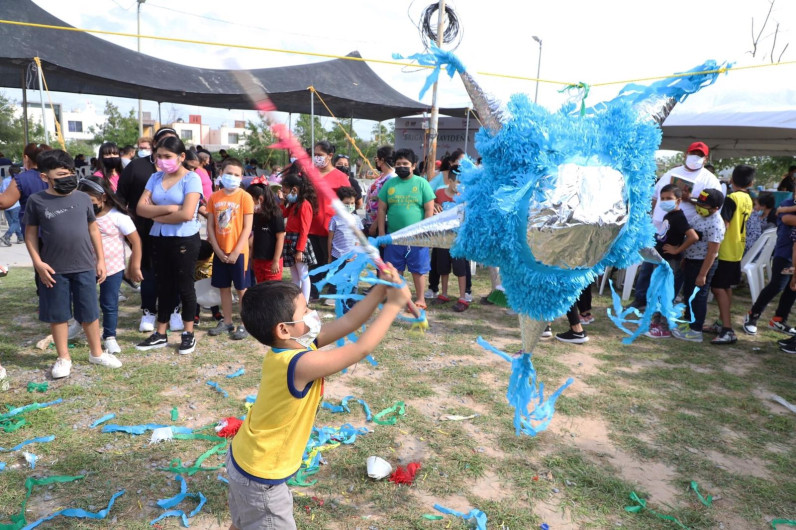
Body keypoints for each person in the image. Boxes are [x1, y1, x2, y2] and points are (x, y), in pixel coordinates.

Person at [228, 265, 411, 530]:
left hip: (245, 460)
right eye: (305, 311)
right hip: (261, 477)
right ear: (283, 329)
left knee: (244, 523)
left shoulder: (292, 348)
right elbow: (360, 349)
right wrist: (393, 306)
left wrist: (381, 289)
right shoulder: (299, 364)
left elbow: (348, 323)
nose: (313, 314)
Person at [23, 150, 123, 378]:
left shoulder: (82, 198)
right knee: (58, 314)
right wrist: (38, 263)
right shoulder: (36, 201)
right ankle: (63, 357)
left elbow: (93, 229)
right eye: (61, 174)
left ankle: (97, 353)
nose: (67, 177)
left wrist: (100, 260)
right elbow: (30, 235)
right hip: (53, 269)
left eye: (70, 173)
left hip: (85, 265)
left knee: (89, 311)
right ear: (44, 177)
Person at [631, 141, 720, 310]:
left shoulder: (710, 180)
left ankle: (663, 305)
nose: (695, 157)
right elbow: (655, 196)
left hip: (682, 231)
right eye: (693, 153)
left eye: (699, 155)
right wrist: (648, 217)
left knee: (672, 270)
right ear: (686, 154)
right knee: (648, 264)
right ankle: (641, 298)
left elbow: (713, 207)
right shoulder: (672, 173)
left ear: (705, 158)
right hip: (658, 226)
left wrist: (689, 199)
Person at [134, 136, 203, 355]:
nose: (162, 160)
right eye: (159, 156)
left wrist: (156, 215)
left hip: (184, 239)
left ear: (181, 156)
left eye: (167, 156)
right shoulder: (155, 177)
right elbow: (140, 208)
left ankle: (188, 333)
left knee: (185, 286)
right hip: (159, 238)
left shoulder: (191, 179)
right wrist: (171, 208)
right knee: (163, 286)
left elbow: (187, 214)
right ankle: (160, 333)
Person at [117, 128, 179, 333]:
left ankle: (174, 310)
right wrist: (127, 228)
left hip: (174, 229)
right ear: (154, 144)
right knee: (148, 272)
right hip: (144, 230)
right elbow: (121, 199)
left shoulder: (181, 169)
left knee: (173, 271)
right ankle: (149, 311)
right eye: (163, 141)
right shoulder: (136, 167)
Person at [77, 176, 143, 354]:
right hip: (86, 266)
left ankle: (110, 336)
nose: (87, 205)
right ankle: (79, 323)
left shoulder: (118, 217)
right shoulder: (82, 216)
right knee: (83, 299)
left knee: (109, 303)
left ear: (103, 197)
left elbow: (136, 242)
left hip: (113, 268)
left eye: (91, 201)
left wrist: (135, 265)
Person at [378, 148, 435, 308]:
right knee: (394, 269)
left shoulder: (422, 183)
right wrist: (382, 233)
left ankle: (420, 299)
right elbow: (381, 209)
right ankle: (396, 298)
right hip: (393, 236)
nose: (401, 166)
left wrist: (425, 232)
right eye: (398, 164)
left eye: (405, 163)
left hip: (417, 237)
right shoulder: (389, 184)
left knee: (418, 270)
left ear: (413, 165)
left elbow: (429, 209)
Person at [705, 165, 754, 345]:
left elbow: (724, 225)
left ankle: (728, 329)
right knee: (726, 287)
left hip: (725, 249)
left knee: (718, 288)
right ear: (751, 183)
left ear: (731, 180)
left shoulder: (731, 198)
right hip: (737, 248)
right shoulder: (748, 198)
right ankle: (721, 323)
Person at [206, 158, 254, 341]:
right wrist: (217, 250)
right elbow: (210, 226)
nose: (232, 177)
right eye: (228, 173)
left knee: (242, 290)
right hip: (220, 252)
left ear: (241, 177)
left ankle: (245, 323)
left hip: (239, 253)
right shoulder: (214, 197)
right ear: (221, 173)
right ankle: (227, 322)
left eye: (236, 174)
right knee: (224, 288)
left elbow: (247, 228)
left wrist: (235, 251)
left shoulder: (245, 197)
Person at [644, 184, 699, 339]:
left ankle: (663, 327)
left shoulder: (679, 217)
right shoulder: (669, 215)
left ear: (678, 200)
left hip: (670, 261)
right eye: (662, 198)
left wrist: (677, 249)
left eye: (669, 198)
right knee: (658, 291)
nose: (665, 201)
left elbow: (693, 236)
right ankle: (656, 322)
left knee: (665, 293)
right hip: (661, 260)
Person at [671, 189, 725, 342]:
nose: (699, 207)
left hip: (702, 264)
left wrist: (702, 274)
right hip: (691, 261)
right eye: (698, 203)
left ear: (715, 208)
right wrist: (685, 258)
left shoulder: (715, 224)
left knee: (698, 297)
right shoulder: (699, 216)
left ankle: (696, 330)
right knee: (688, 295)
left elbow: (712, 252)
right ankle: (689, 323)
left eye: (704, 205)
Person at [744, 196, 796, 335]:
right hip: (785, 255)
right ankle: (753, 315)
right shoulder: (787, 204)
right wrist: (786, 209)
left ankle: (779, 319)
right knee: (777, 285)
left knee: (793, 288)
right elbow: (787, 219)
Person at [307, 141, 351, 301]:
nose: (316, 158)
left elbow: (350, 201)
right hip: (311, 226)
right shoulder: (310, 174)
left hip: (332, 228)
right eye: (315, 155)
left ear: (330, 156)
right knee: (314, 262)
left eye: (320, 155)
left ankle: (334, 291)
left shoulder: (340, 177)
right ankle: (313, 290)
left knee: (333, 261)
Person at [431, 171, 469, 311]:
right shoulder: (440, 193)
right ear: (450, 181)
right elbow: (431, 202)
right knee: (443, 267)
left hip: (458, 239)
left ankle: (463, 297)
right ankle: (444, 294)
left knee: (460, 269)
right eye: (457, 182)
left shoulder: (464, 197)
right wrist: (434, 205)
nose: (459, 185)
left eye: (462, 183)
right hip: (443, 238)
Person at [281, 171, 317, 302]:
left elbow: (304, 230)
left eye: (285, 190)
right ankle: (297, 300)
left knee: (303, 274)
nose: (284, 193)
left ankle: (305, 302)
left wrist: (300, 250)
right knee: (295, 276)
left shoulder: (305, 205)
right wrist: (283, 201)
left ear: (294, 189)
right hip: (290, 240)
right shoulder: (294, 204)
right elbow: (283, 213)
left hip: (298, 242)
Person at [0, 143, 51, 236]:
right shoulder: (59, 176)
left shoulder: (22, 179)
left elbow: (3, 203)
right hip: (61, 231)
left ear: (26, 158)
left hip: (36, 234)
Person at [248, 184, 285, 283]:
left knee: (272, 288)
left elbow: (280, 238)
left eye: (251, 200)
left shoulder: (276, 214)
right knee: (261, 288)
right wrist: (253, 257)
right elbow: (255, 237)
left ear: (260, 199)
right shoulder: (256, 215)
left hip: (271, 261)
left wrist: (276, 261)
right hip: (258, 260)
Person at [364, 145, 395, 236]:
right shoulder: (382, 176)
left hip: (380, 224)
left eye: (377, 158)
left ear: (382, 160)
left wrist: (375, 225)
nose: (376, 160)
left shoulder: (391, 178)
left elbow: (387, 205)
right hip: (370, 220)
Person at [0, 173, 23, 245]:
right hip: (16, 204)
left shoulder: (5, 180)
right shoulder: (18, 180)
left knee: (12, 223)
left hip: (7, 205)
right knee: (16, 222)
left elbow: (1, 192)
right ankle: (7, 236)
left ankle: (20, 237)